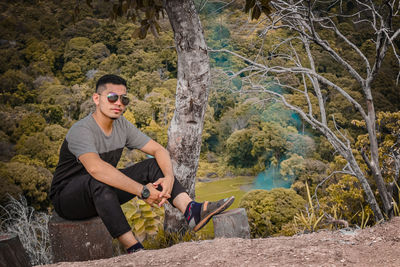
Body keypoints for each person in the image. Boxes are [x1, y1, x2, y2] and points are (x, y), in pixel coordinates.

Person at [49, 74, 234, 253]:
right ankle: (135, 249)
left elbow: (158, 150)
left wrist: (168, 177)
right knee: (98, 181)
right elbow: (96, 169)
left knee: (152, 166)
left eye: (124, 99)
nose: (119, 103)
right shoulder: (81, 130)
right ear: (97, 99)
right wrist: (143, 191)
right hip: (67, 198)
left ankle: (192, 210)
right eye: (112, 97)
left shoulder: (122, 125)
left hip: (101, 192)